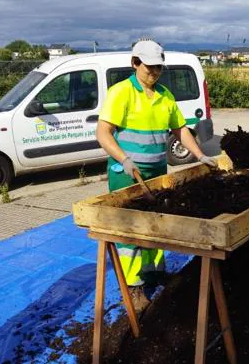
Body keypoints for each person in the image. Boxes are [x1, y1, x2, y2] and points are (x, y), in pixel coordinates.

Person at [96, 39, 216, 312]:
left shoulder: (165, 95)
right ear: (135, 63)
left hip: (156, 171)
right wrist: (124, 158)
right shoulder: (122, 92)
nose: (154, 73)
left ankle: (155, 272)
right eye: (149, 68)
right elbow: (103, 133)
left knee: (155, 225)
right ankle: (134, 286)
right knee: (130, 231)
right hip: (127, 173)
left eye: (158, 68)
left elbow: (180, 129)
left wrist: (200, 155)